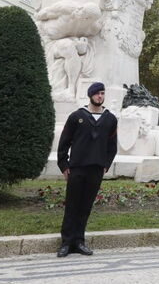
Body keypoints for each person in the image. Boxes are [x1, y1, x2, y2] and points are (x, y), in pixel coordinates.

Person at [56, 82, 118, 258]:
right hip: (77, 168)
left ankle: (79, 241)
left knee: (85, 207)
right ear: (90, 95)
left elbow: (112, 147)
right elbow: (64, 142)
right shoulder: (76, 116)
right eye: (97, 93)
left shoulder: (110, 119)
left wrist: (105, 165)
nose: (100, 96)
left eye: (102, 93)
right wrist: (64, 165)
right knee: (72, 206)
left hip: (96, 170)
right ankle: (66, 243)